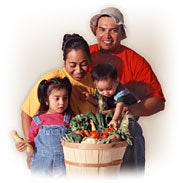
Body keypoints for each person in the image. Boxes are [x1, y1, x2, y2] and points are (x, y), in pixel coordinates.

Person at [89, 7, 166, 173]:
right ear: (95, 30)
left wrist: (128, 110)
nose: (107, 36)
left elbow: (158, 101)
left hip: (124, 133)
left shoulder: (136, 61)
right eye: (102, 29)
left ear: (122, 33)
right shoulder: (86, 55)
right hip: (88, 134)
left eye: (114, 30)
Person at [16, 33, 98, 153]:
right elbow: (26, 113)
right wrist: (31, 151)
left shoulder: (94, 82)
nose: (79, 70)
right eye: (73, 65)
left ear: (90, 60)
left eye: (84, 64)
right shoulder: (52, 79)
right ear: (64, 62)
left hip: (90, 149)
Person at [26, 77, 73, 176]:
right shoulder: (38, 120)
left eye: (65, 98)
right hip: (41, 166)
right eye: (57, 98)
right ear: (46, 100)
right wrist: (27, 151)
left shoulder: (70, 119)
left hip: (64, 167)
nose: (62, 102)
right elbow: (31, 142)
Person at [81, 63, 137, 129]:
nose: (105, 93)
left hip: (130, 107)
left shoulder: (121, 91)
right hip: (114, 106)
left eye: (109, 89)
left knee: (125, 120)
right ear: (95, 84)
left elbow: (120, 106)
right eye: (101, 90)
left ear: (116, 81)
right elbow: (98, 102)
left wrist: (114, 119)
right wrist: (89, 97)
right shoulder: (99, 89)